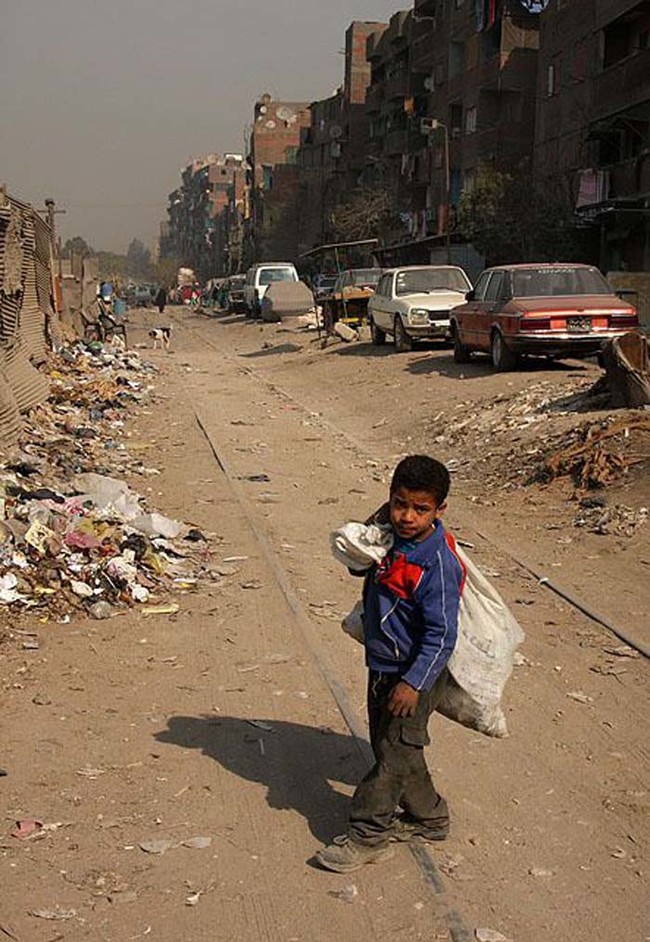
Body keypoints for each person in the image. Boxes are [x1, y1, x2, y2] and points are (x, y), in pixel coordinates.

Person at [316, 454, 465, 873]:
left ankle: (368, 834)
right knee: (395, 745)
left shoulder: (435, 564)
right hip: (385, 663)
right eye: (400, 504)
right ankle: (431, 817)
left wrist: (414, 683)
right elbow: (360, 565)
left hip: (414, 674)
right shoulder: (392, 539)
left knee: (391, 756)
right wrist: (374, 529)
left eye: (421, 509)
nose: (407, 517)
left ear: (439, 510)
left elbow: (441, 635)